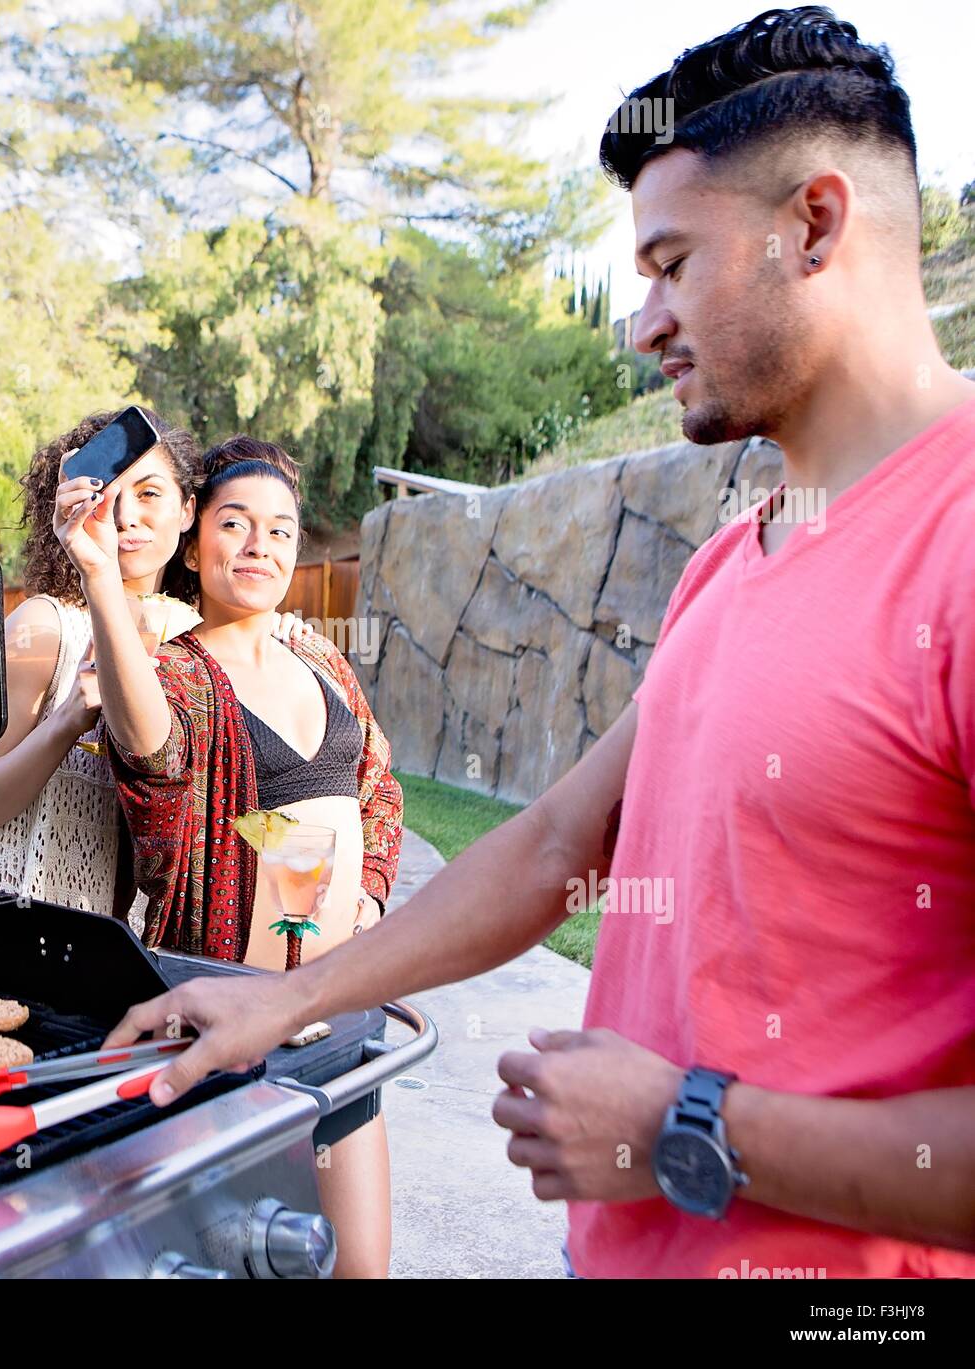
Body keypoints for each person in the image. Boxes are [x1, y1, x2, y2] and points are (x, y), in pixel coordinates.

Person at [100, 6, 975, 1279]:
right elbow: (561, 843)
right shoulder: (735, 562)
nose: (642, 323)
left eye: (672, 264)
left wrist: (695, 1127)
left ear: (816, 226)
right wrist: (284, 1002)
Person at [53, 435, 402, 1277]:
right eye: (235, 522)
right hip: (231, 1033)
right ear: (195, 538)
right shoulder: (177, 671)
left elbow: (379, 791)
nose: (259, 545)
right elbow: (151, 750)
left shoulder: (320, 657)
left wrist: (371, 902)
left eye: (280, 531)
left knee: (360, 1269)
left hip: (340, 1016)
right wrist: (101, 572)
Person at [0, 407, 301, 920]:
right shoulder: (47, 629)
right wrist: (68, 718)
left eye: (149, 493)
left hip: (143, 951)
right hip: (29, 924)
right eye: (105, 494)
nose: (124, 515)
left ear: (187, 511)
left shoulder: (194, 644)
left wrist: (282, 629)